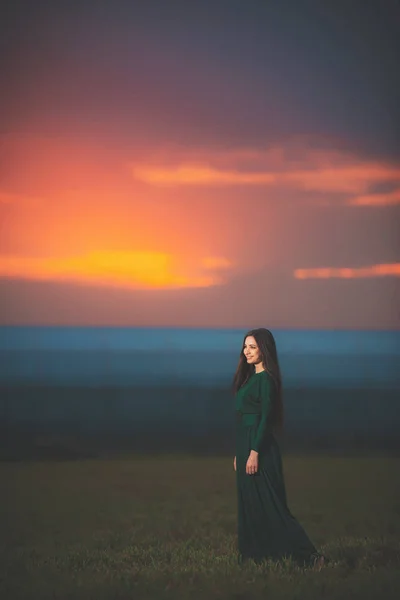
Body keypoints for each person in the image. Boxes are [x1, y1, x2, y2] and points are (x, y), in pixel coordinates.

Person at [233, 328, 325, 568]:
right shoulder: (249, 378)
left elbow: (265, 418)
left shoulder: (267, 379)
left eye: (253, 347)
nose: (247, 351)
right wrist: (239, 452)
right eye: (245, 347)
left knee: (272, 506)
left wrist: (254, 452)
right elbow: (244, 417)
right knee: (249, 503)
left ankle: (311, 557)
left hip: (259, 447)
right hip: (245, 443)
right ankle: (256, 556)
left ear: (265, 349)